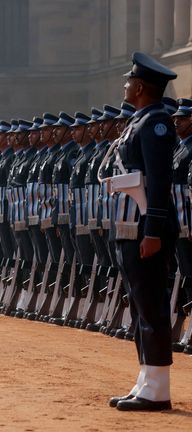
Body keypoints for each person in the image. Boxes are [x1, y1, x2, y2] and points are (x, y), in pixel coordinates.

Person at [105, 52, 179, 411]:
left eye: (128, 80)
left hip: (147, 228)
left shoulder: (156, 125)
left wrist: (152, 231)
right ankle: (146, 380)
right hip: (130, 224)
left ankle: (158, 388)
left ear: (140, 86)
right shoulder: (139, 122)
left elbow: (160, 180)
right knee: (139, 305)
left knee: (151, 306)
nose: (125, 85)